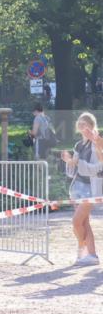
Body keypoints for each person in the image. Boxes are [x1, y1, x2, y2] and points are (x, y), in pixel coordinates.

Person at [61, 112, 103, 266]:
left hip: (90, 188)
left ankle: (82, 248)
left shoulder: (97, 141)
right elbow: (74, 167)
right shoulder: (78, 145)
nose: (82, 126)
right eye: (80, 124)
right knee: (84, 222)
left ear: (91, 126)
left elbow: (100, 163)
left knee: (76, 221)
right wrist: (69, 160)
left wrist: (97, 140)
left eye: (85, 124)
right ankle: (91, 255)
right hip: (77, 186)